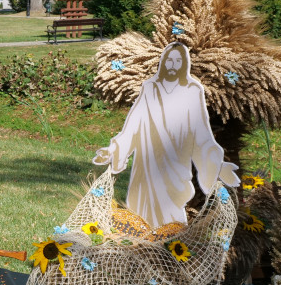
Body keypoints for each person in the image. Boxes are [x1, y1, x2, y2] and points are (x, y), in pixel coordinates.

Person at [92, 42, 239, 227]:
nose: (173, 65)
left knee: (171, 218)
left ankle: (169, 247)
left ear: (184, 64)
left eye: (178, 60)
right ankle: (140, 247)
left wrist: (216, 164)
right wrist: (114, 150)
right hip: (147, 163)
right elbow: (133, 126)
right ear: (163, 62)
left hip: (175, 162)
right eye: (169, 60)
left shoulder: (192, 91)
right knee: (141, 216)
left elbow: (201, 132)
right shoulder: (150, 88)